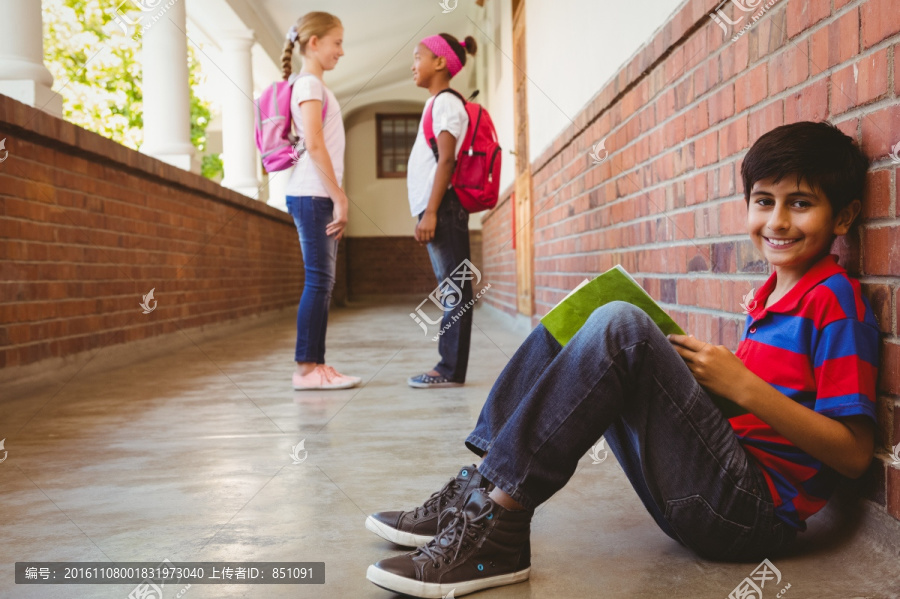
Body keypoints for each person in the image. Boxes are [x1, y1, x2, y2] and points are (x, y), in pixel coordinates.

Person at [364, 121, 879, 598]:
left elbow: (854, 454)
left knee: (621, 327)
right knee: (587, 314)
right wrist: (707, 379)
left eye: (801, 203)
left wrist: (742, 386)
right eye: (764, 201)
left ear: (845, 215)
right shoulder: (769, 295)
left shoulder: (835, 300)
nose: (778, 220)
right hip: (711, 490)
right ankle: (475, 497)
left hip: (747, 516)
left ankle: (497, 529)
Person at [281, 12, 360, 391]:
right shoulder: (309, 85)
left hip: (315, 193)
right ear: (314, 43)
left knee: (322, 282)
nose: (341, 51)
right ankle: (306, 370)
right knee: (318, 282)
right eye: (337, 42)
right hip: (313, 194)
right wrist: (340, 198)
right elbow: (313, 144)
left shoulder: (312, 85)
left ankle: (316, 365)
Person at [406, 33, 478, 389]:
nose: (412, 64)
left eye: (417, 56)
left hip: (444, 207)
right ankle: (450, 367)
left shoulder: (446, 103)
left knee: (455, 290)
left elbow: (447, 160)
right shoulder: (436, 103)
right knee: (452, 288)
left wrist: (431, 211)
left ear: (439, 62)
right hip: (438, 207)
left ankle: (449, 369)